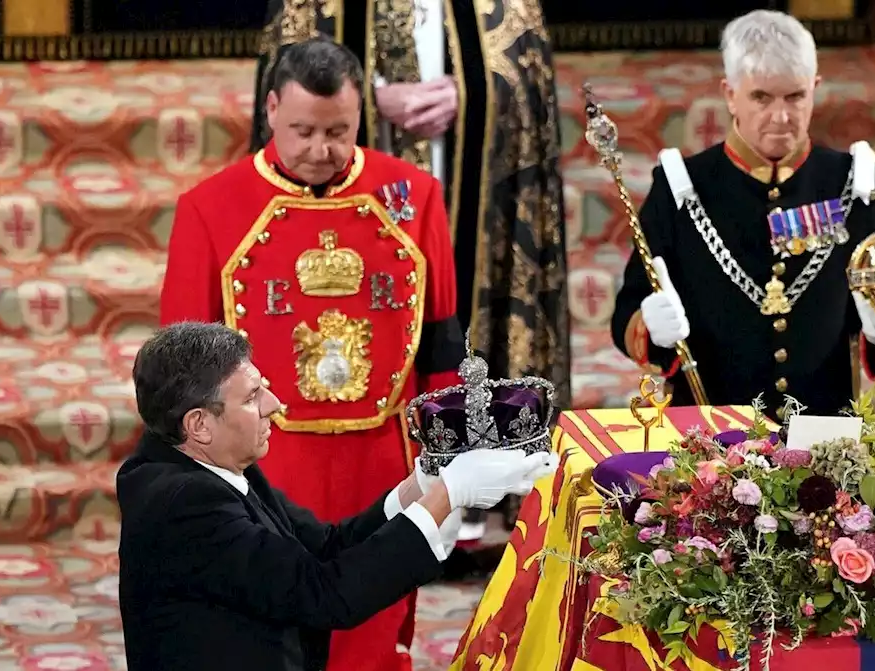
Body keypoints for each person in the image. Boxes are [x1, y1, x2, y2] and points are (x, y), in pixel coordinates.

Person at [159, 39, 463, 671]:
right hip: (264, 459)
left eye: (339, 131)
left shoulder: (415, 195)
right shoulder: (210, 207)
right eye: (302, 131)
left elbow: (440, 338)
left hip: (382, 452)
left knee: (373, 630)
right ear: (270, 109)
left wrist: (451, 459)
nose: (320, 150)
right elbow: (181, 366)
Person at [118, 321, 556, 671]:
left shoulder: (209, 466)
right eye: (252, 397)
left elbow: (325, 548)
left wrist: (419, 486)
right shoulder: (185, 505)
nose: (273, 403)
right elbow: (326, 595)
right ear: (199, 424)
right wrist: (449, 493)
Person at [251, 0, 571, 414]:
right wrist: (365, 99)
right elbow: (289, 73)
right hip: (354, 173)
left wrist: (473, 92)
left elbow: (528, 72)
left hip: (462, 179)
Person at [610, 9, 875, 419]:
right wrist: (652, 330)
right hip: (711, 431)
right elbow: (626, 316)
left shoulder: (853, 183)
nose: (781, 116)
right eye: (761, 97)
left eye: (795, 97)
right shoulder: (681, 186)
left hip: (823, 428)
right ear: (729, 93)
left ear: (816, 88)